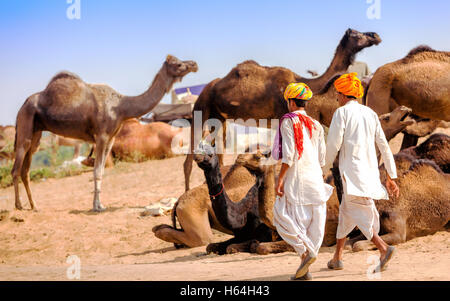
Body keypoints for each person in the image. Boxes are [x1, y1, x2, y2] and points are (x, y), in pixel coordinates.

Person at [323, 72, 400, 273]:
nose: (337, 97)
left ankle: (383, 248)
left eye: (338, 94)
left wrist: (322, 168)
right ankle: (337, 258)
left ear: (342, 94)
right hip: (369, 172)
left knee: (357, 210)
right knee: (347, 213)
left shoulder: (341, 113)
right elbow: (383, 145)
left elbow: (333, 145)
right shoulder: (370, 113)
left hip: (351, 173)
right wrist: (391, 176)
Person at [273, 83, 333, 280]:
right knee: (312, 222)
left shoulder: (288, 121)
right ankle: (304, 270)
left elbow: (289, 155)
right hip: (315, 176)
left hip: (296, 178)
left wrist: (280, 180)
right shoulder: (315, 124)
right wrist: (320, 173)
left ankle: (306, 252)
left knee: (281, 216)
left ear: (291, 102)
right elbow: (322, 156)